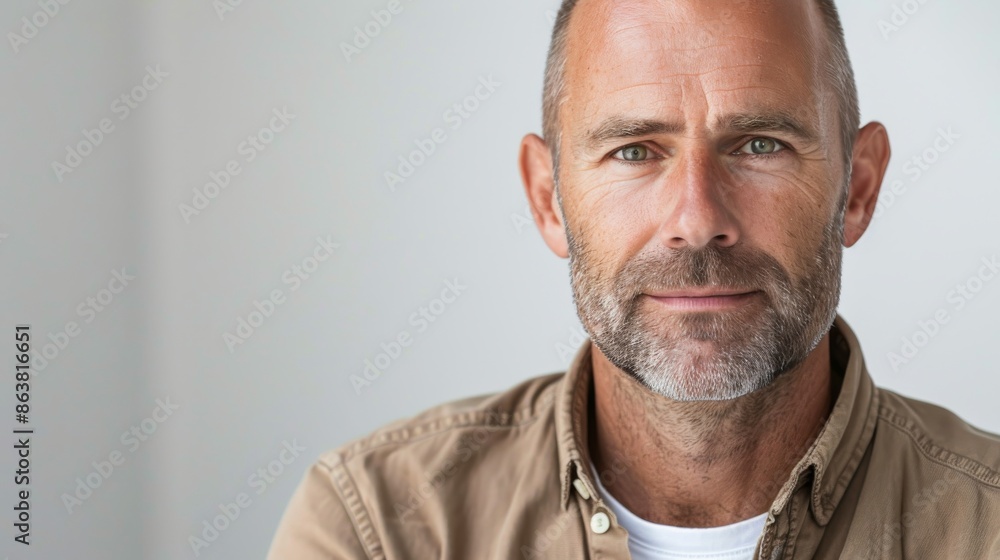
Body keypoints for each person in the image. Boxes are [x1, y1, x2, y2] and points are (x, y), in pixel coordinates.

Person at [267, 1, 1000, 558]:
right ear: (548, 199)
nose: (697, 218)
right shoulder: (380, 528)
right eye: (633, 151)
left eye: (759, 144)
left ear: (859, 187)